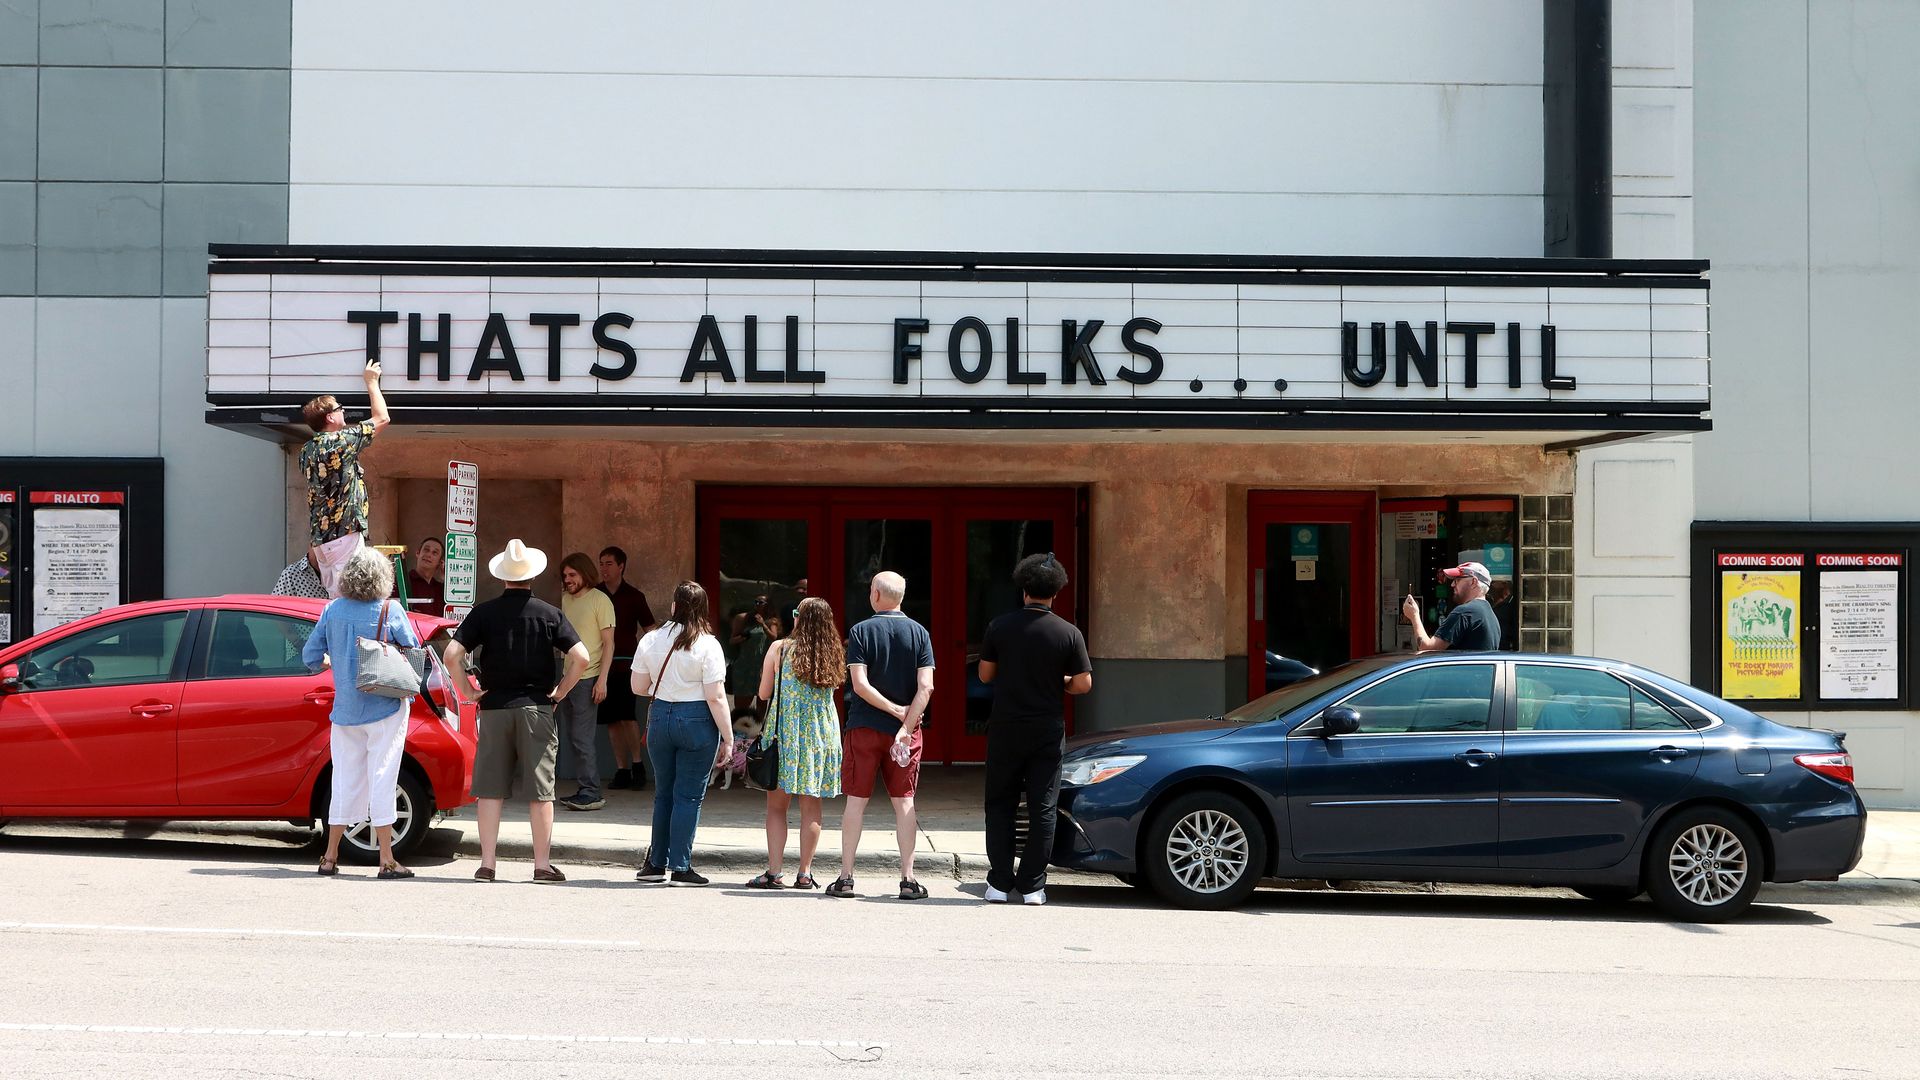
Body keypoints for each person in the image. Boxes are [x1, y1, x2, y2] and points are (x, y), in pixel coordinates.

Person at [442, 539, 589, 883]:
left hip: (493, 708)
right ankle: (541, 865)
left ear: (503, 577)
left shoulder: (484, 612)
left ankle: (487, 863)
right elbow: (581, 657)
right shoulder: (550, 613)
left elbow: (451, 655)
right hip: (537, 708)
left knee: (490, 789)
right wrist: (560, 692)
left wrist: (468, 691)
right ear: (532, 576)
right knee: (540, 792)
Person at [300, 546, 421, 879]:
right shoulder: (389, 609)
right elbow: (410, 648)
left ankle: (329, 856)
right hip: (384, 707)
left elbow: (310, 655)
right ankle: (387, 859)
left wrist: (332, 661)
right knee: (383, 776)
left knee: (344, 780)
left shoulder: (332, 610)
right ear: (383, 578)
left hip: (345, 712)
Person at [978, 553, 1091, 906]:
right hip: (1046, 728)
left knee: (1000, 805)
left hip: (1006, 727)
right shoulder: (1068, 633)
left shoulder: (1000, 626)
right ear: (1055, 592)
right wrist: (1062, 682)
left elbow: (985, 675)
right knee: (1043, 806)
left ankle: (998, 884)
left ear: (1024, 588)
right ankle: (1032, 886)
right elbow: (1084, 683)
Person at [830, 570, 934, 901]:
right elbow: (927, 686)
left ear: (875, 594)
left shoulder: (861, 631)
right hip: (905, 734)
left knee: (856, 802)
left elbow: (859, 685)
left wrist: (891, 709)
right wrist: (905, 723)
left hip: (863, 728)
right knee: (904, 802)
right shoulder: (920, 633)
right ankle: (907, 878)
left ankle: (846, 877)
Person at [631, 581, 733, 887]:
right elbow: (715, 696)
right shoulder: (708, 644)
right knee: (688, 796)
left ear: (674, 606)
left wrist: (663, 690)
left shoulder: (651, 639)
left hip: (660, 716)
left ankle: (655, 865)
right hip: (697, 719)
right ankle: (681, 866)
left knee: (664, 793)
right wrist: (729, 738)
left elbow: (637, 687)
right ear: (703, 609)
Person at [745, 596, 846, 891]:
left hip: (785, 734)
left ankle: (774, 872)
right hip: (819, 736)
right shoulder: (832, 653)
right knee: (811, 808)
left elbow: (764, 694)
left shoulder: (780, 649)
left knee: (776, 807)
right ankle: (805, 873)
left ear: (800, 618)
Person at [298, 360, 390, 598]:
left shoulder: (306, 449)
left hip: (322, 541)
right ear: (329, 417)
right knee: (350, 600)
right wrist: (371, 381)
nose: (344, 412)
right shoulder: (340, 441)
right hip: (342, 537)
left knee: (334, 600)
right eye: (339, 409)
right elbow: (382, 418)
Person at [556, 552, 615, 812]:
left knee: (582, 738)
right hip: (568, 676)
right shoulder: (566, 600)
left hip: (588, 677)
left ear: (584, 573)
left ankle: (591, 792)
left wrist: (602, 680)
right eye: (565, 575)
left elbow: (609, 643)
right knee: (572, 737)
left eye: (572, 575)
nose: (567, 580)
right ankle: (585, 789)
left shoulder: (600, 600)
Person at [597, 546, 657, 791]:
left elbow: (651, 630)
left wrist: (648, 660)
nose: (604, 568)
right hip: (602, 667)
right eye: (601, 563)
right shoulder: (595, 595)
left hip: (627, 665)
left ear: (621, 566)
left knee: (628, 716)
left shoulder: (634, 596)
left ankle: (637, 765)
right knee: (611, 720)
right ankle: (621, 770)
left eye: (609, 563)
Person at [1403, 561, 1500, 652]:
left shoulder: (1465, 612)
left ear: (1473, 582)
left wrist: (1414, 615)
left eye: (1457, 580)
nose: (1452, 584)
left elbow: (1428, 650)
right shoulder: (1490, 614)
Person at [404, 536, 445, 613]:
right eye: (426, 550)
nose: (429, 555)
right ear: (417, 553)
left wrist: (445, 579)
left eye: (434, 553)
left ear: (440, 562)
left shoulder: (440, 589)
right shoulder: (402, 582)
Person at [1488, 578, 1519, 652]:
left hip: (1505, 649)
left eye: (1494, 582)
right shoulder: (1489, 601)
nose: (1491, 585)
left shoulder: (1513, 604)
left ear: (1504, 584)